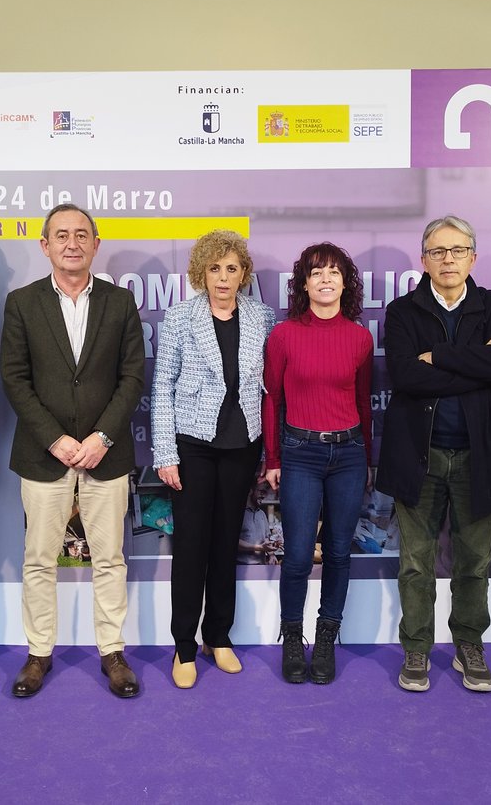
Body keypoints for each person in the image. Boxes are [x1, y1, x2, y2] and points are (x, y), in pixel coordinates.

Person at [0, 203, 145, 699]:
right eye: (60, 235)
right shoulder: (21, 303)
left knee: (110, 558)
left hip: (107, 453)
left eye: (82, 234)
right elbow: (15, 379)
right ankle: (39, 654)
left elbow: (132, 378)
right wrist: (54, 438)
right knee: (40, 559)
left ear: (95, 244)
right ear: (45, 245)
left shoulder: (120, 303)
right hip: (44, 455)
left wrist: (101, 437)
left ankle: (113, 653)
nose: (71, 242)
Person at [377, 215, 491, 694]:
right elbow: (405, 377)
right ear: (424, 259)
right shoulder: (402, 312)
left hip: (480, 457)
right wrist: (479, 363)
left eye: (457, 250)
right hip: (418, 456)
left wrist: (437, 356)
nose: (447, 260)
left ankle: (468, 646)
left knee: (474, 562)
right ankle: (416, 650)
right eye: (438, 251)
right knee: (416, 563)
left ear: (472, 257)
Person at [151, 230, 275, 689]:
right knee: (191, 548)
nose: (224, 277)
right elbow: (161, 386)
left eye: (232, 268)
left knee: (226, 543)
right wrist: (165, 452)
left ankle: (217, 636)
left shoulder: (262, 316)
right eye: (215, 268)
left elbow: (269, 388)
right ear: (201, 272)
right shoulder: (181, 316)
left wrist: (269, 450)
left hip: (242, 445)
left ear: (243, 273)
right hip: (192, 445)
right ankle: (183, 646)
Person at [263, 242, 373, 685]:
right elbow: (272, 401)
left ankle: (326, 640)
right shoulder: (285, 335)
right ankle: (293, 638)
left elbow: (364, 402)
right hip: (300, 454)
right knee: (296, 556)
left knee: (341, 553)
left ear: (345, 282)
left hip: (348, 455)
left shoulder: (360, 337)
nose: (325, 279)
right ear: (303, 283)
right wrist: (272, 457)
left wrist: (368, 458)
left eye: (334, 272)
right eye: (316, 272)